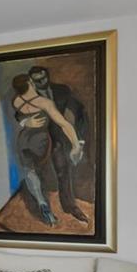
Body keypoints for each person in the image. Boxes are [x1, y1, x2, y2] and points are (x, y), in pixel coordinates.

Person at [11, 74, 85, 226]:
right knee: (44, 170)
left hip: (24, 141)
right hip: (42, 143)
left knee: (30, 172)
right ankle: (49, 205)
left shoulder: (17, 100)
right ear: (30, 83)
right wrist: (76, 145)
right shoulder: (44, 103)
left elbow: (19, 115)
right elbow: (64, 124)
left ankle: (42, 204)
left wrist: (26, 122)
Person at [28, 65, 91, 223]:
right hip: (38, 139)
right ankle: (44, 208)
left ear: (47, 76)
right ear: (32, 82)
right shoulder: (29, 96)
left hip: (59, 138)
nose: (42, 82)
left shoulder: (62, 90)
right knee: (36, 172)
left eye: (43, 78)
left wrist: (78, 140)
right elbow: (18, 112)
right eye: (37, 80)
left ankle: (69, 206)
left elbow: (77, 111)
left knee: (63, 171)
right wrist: (26, 122)